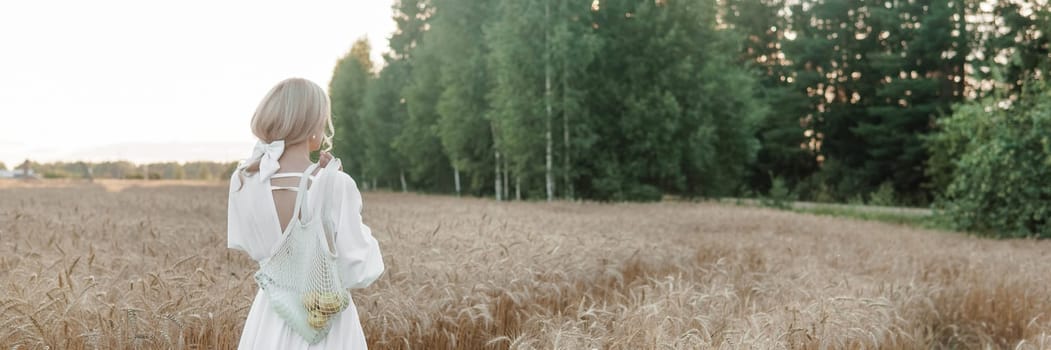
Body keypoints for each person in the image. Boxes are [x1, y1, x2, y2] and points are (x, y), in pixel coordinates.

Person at [226, 78, 384, 349]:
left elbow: (250, 246)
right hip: (325, 319)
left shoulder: (244, 180)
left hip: (270, 317)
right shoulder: (336, 184)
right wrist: (330, 185)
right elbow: (358, 269)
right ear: (313, 124)